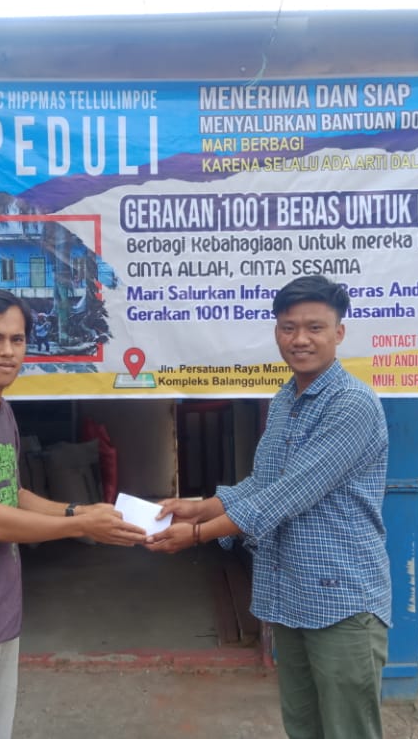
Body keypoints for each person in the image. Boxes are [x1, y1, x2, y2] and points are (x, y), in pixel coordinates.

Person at [146, 274, 391, 739]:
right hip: (291, 593)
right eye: (288, 327)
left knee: (348, 730)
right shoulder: (284, 400)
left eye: (315, 328)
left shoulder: (352, 404)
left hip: (341, 599)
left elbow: (289, 494)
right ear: (277, 331)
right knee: (302, 726)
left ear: (339, 333)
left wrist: (198, 535)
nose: (300, 339)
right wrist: (199, 507)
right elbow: (265, 482)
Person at [0, 288, 147, 739]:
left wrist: (78, 508)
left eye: (17, 340)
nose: (8, 352)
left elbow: (9, 493)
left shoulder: (0, 410)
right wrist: (81, 525)